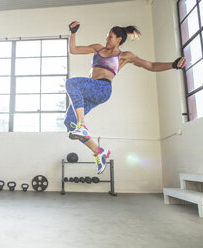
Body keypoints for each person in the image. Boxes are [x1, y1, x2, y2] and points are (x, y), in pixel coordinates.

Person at [64, 21, 186, 174]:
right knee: (69, 121)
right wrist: (73, 33)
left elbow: (151, 65)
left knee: (71, 83)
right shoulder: (98, 48)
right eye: (106, 37)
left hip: (103, 88)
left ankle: (82, 126)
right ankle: (98, 151)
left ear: (119, 39)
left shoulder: (125, 56)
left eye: (110, 37)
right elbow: (73, 50)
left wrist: (173, 65)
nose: (106, 40)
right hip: (90, 90)